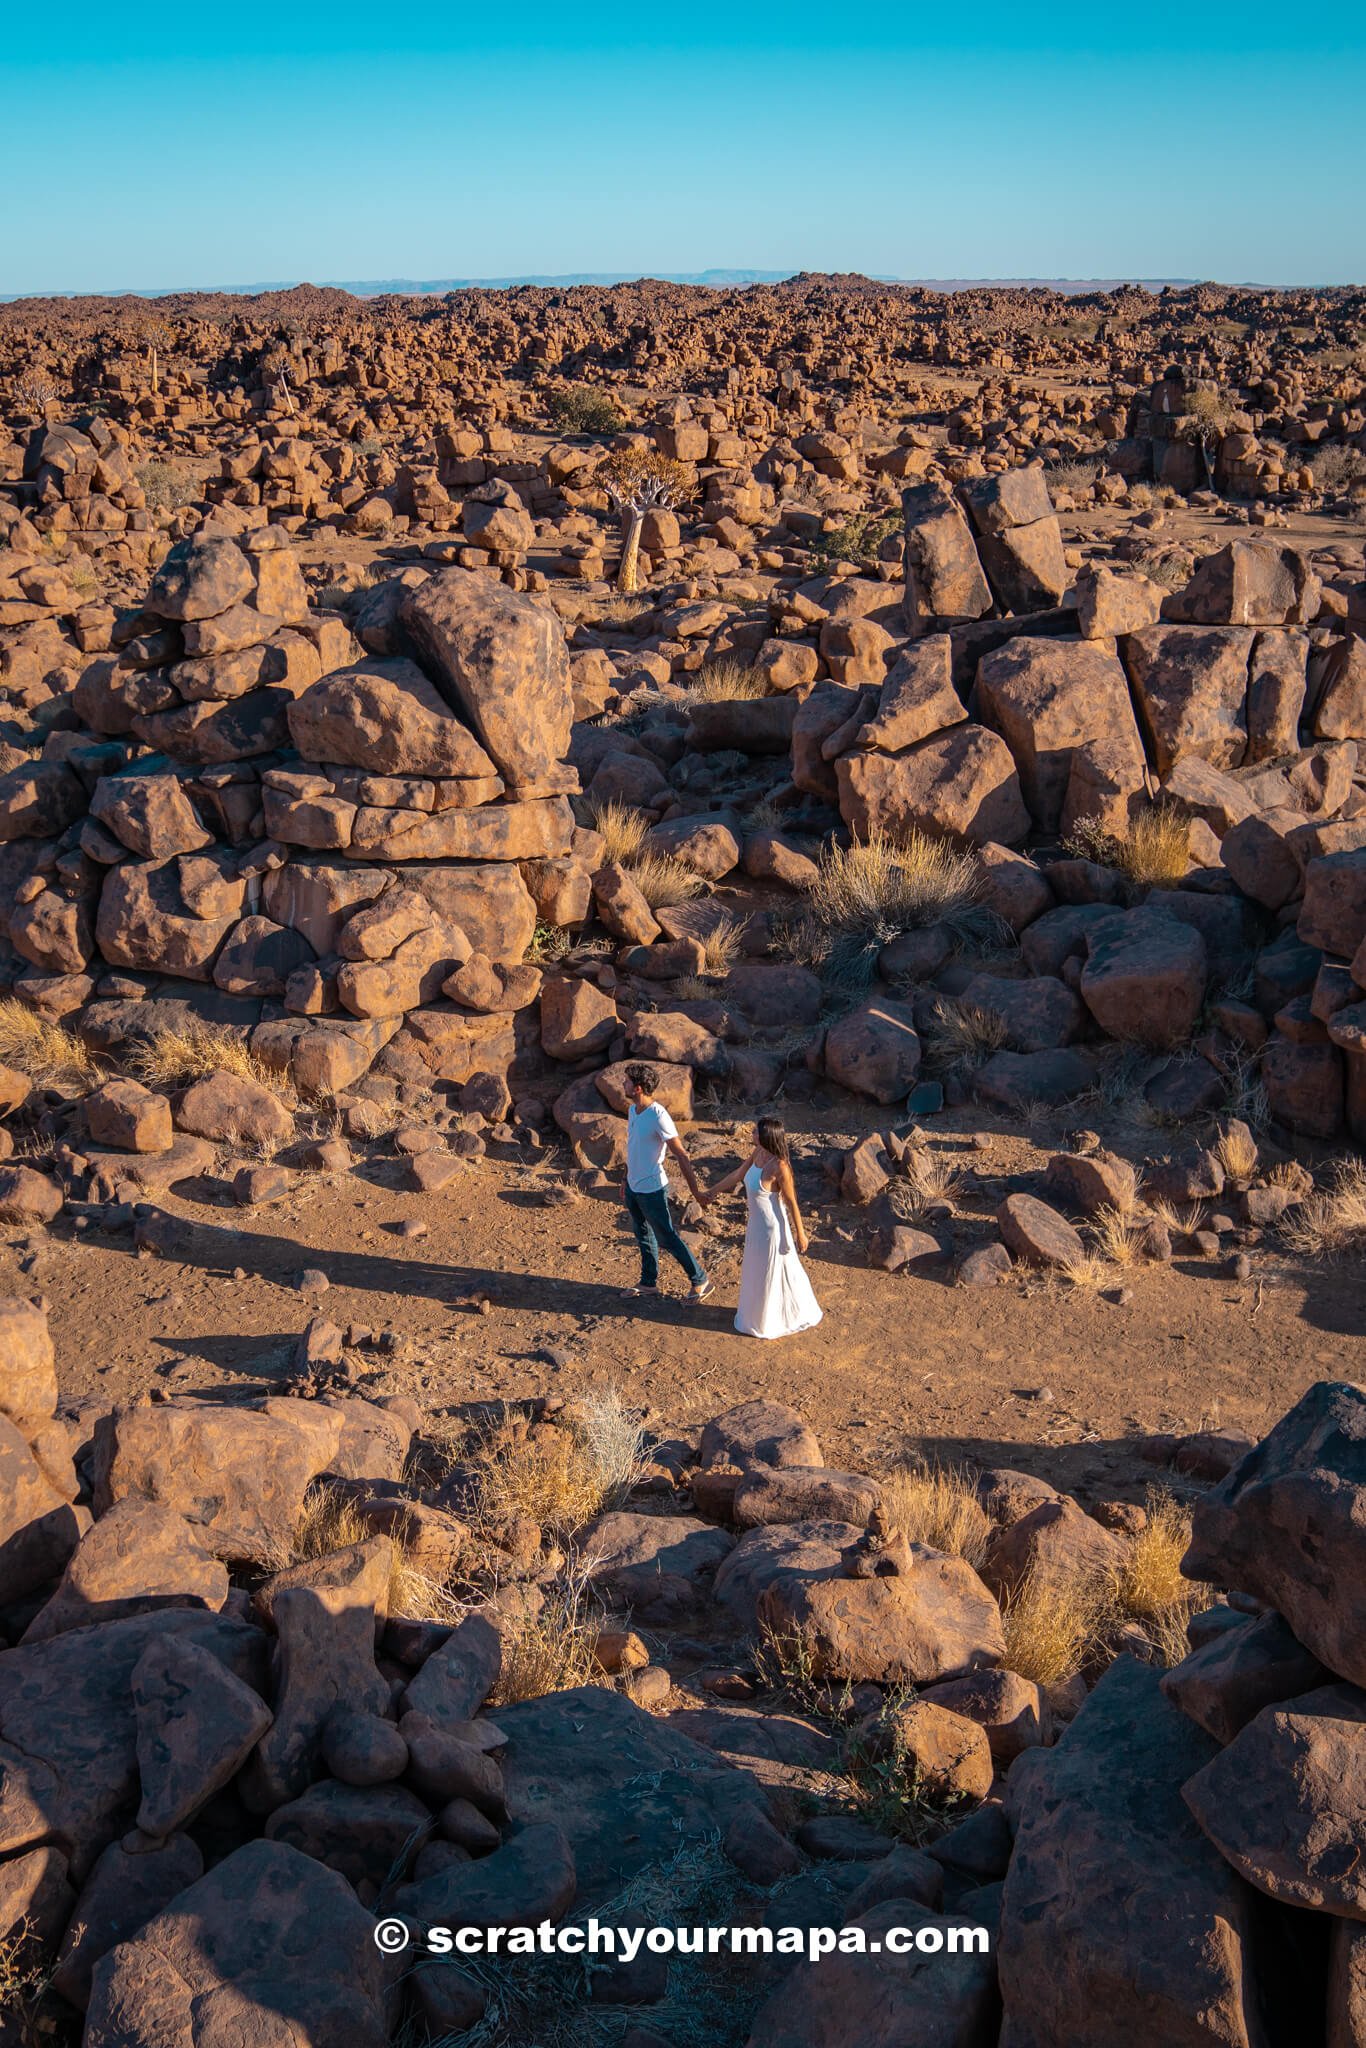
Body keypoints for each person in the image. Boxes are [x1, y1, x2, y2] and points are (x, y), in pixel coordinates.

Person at [702, 1117, 822, 1340]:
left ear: (768, 1136)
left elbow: (791, 1201)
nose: (752, 1134)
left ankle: (770, 1320)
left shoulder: (780, 1166)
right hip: (756, 1226)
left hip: (773, 1229)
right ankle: (755, 1317)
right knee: (756, 1271)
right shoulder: (758, 1152)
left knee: (772, 1273)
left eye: (756, 1132)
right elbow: (737, 1176)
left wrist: (801, 1234)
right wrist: (713, 1191)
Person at [622, 1063, 713, 1302]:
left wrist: (695, 1192)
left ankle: (700, 1279)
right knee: (642, 1233)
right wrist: (626, 1180)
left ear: (638, 1088)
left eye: (627, 1081)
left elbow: (681, 1155)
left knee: (667, 1237)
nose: (623, 1084)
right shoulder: (634, 1111)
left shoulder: (658, 1116)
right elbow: (634, 1149)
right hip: (634, 1186)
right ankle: (648, 1282)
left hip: (652, 1188)